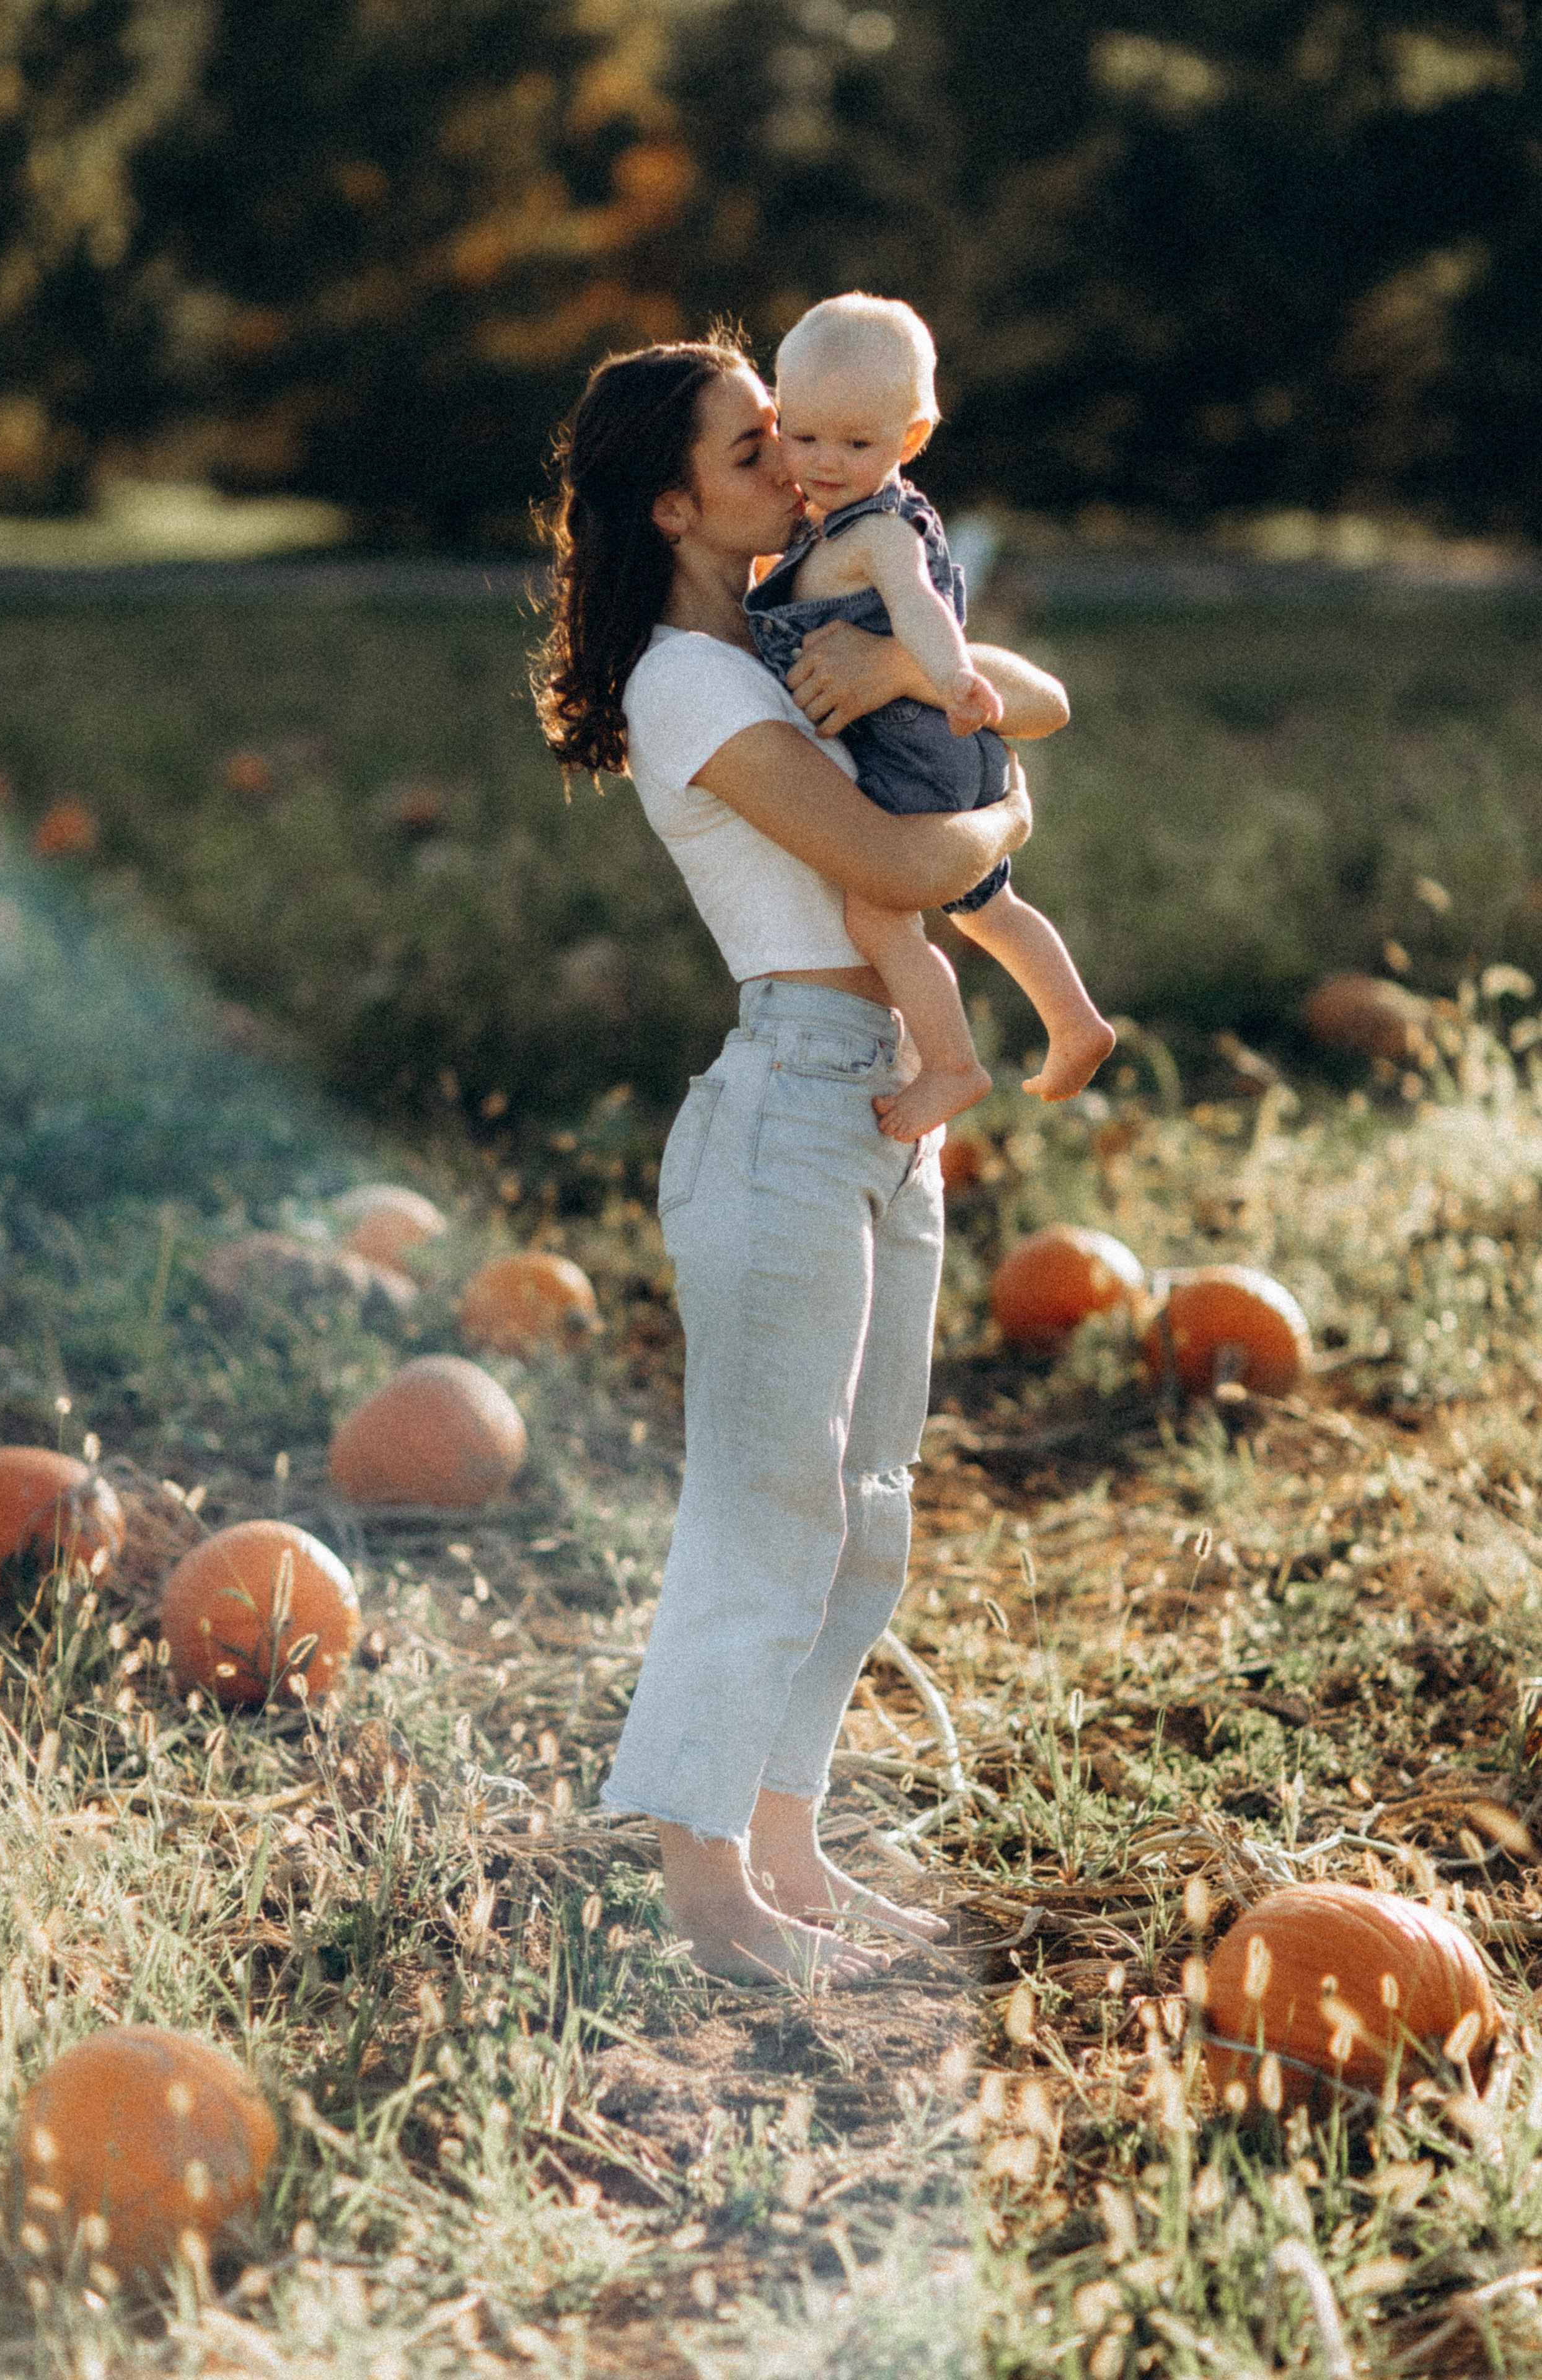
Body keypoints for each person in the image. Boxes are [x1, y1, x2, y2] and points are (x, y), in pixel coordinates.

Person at [532, 333, 1064, 1986]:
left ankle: (786, 1849)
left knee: (863, 1513)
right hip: (784, 1106)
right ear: (675, 503)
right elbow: (894, 861)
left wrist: (913, 667)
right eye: (753, 448)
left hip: (884, 1100)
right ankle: (706, 1895)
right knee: (766, 1506)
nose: (796, 465)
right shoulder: (686, 686)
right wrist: (1008, 824)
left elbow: (1019, 693)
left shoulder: (788, 633)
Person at [746, 293, 1114, 1140]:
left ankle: (952, 1064)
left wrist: (952, 678)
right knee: (992, 908)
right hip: (944, 745)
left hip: (923, 741)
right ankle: (1076, 1022)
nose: (825, 461)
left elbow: (919, 604)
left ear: (909, 441)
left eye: (856, 444)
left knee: (878, 917)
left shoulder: (879, 533)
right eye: (804, 436)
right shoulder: (828, 523)